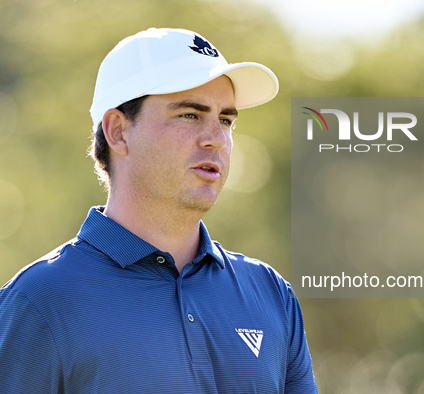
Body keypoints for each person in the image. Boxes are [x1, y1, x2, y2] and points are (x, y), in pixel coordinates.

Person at [0, 27, 317, 393]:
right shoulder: (39, 301)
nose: (216, 137)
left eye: (226, 120)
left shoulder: (271, 293)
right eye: (189, 115)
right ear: (118, 131)